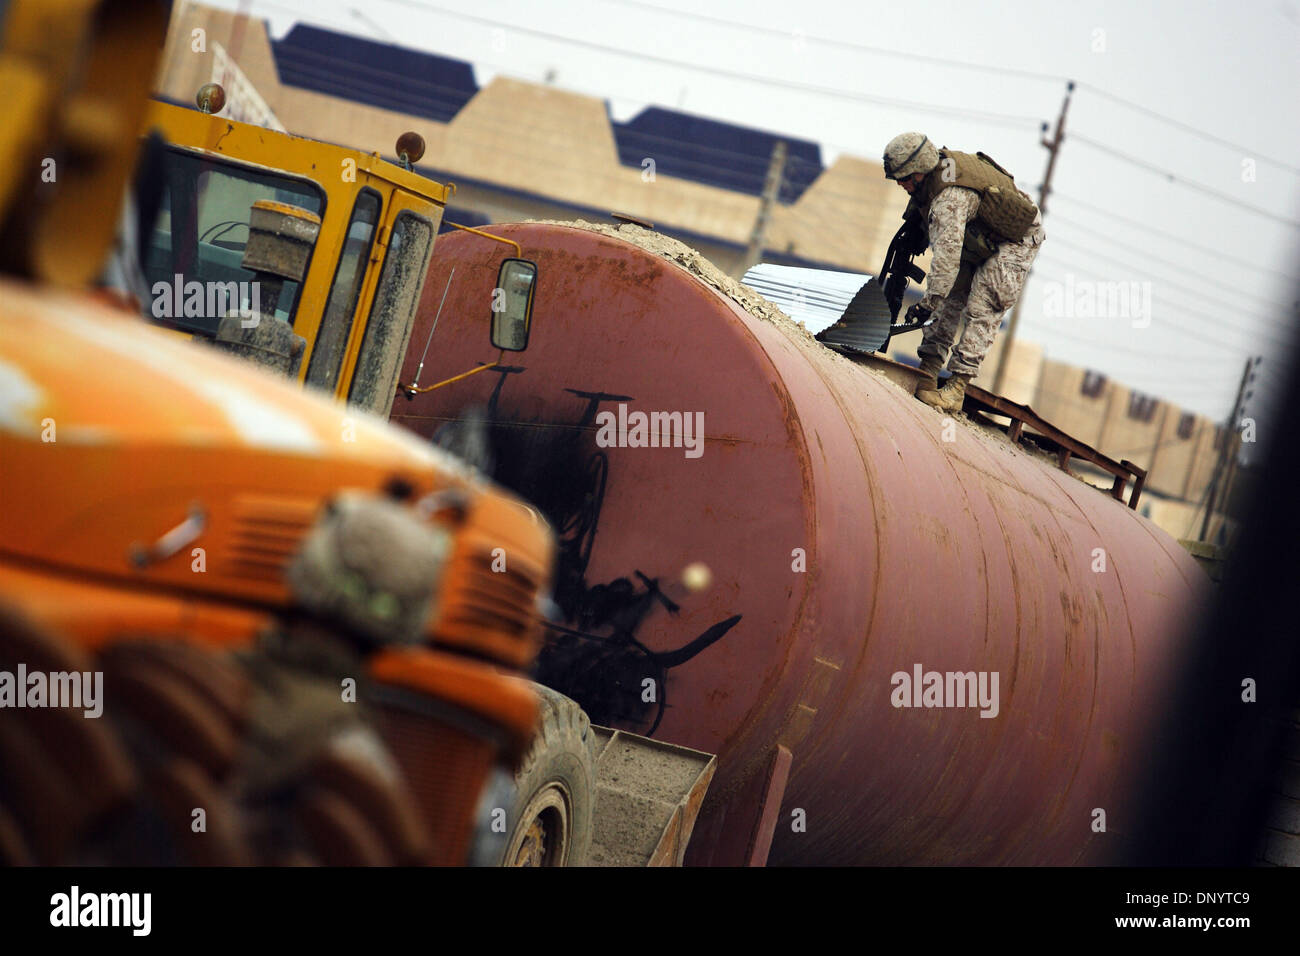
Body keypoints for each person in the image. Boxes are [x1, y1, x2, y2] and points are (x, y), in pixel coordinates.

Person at [882, 132, 1047, 411]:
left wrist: (926, 304)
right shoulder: (929, 186)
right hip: (978, 234)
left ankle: (957, 387)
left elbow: (945, 263)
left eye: (905, 178)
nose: (901, 184)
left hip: (1015, 240)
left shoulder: (949, 200)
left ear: (921, 170)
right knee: (948, 299)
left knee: (983, 303)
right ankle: (928, 373)